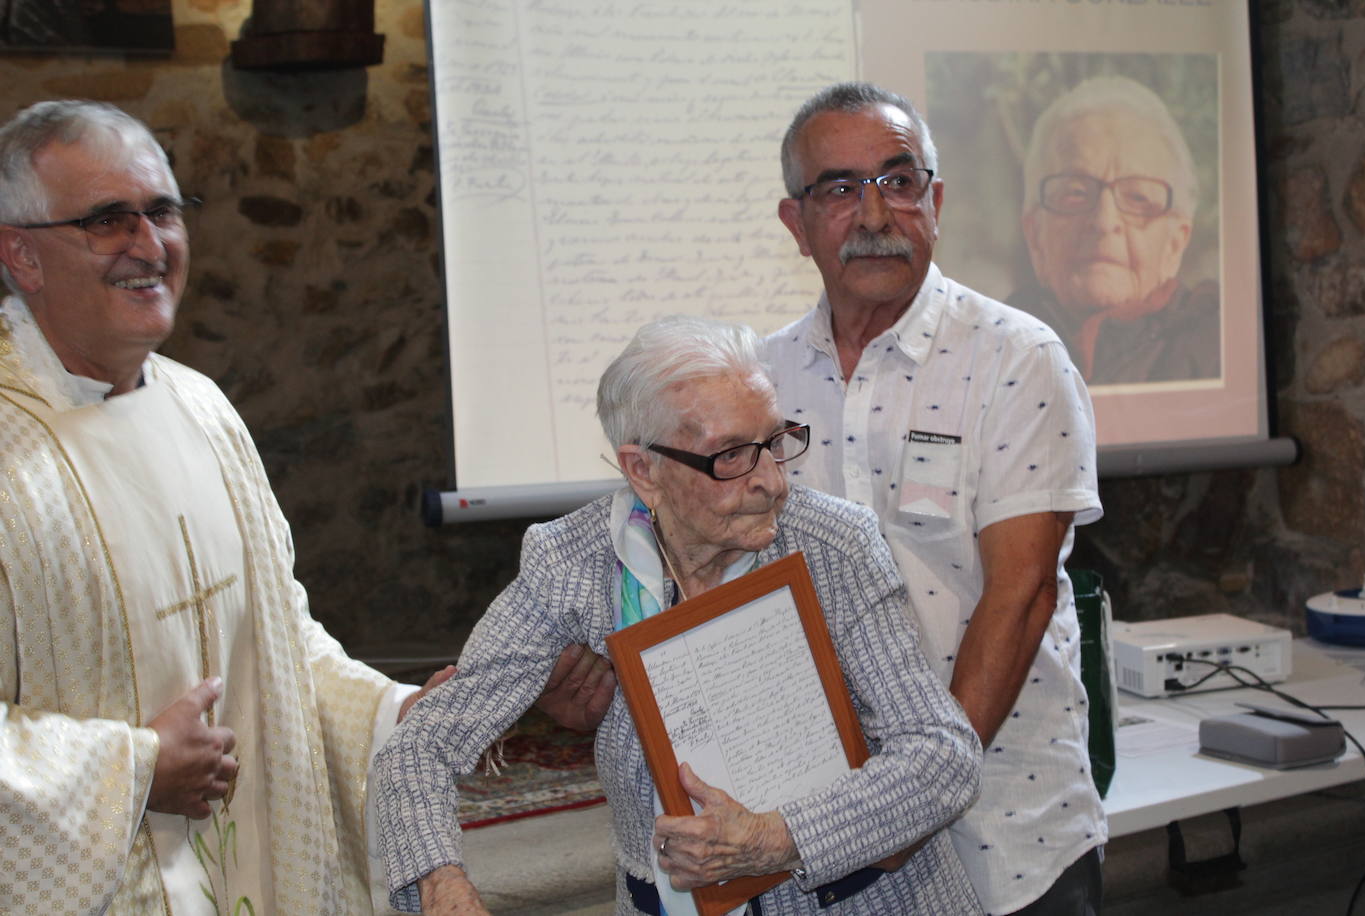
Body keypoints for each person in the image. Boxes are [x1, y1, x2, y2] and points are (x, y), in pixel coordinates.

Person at [0, 99, 609, 914]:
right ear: (21, 256)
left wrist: (416, 716)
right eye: (109, 220)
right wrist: (134, 767)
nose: (150, 247)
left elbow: (281, 652)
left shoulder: (201, 410)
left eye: (164, 213)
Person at [375, 314, 984, 915]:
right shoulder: (572, 565)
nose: (772, 482)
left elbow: (942, 752)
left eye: (775, 442)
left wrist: (778, 837)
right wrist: (441, 886)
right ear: (644, 470)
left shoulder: (833, 546)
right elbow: (419, 748)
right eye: (732, 457)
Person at [766, 82, 1105, 915]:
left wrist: (917, 795)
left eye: (899, 179)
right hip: (825, 830)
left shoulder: (1017, 357)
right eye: (840, 189)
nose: (875, 212)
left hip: (1005, 832)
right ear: (795, 223)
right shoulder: (762, 380)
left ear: (937, 200)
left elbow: (1018, 596)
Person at [1011, 74, 1217, 384]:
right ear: (1035, 236)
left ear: (1175, 245)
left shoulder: (1221, 346)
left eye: (1137, 197)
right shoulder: (985, 347)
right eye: (1076, 193)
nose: (1105, 222)